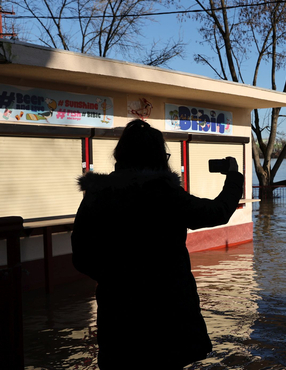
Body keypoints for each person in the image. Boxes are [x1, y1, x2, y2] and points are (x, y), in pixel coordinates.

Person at [71, 119, 244, 369]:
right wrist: (234, 177)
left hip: (119, 316)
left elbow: (81, 256)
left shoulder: (97, 196)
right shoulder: (166, 195)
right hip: (168, 316)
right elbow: (218, 211)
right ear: (159, 157)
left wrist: (118, 278)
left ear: (121, 156)